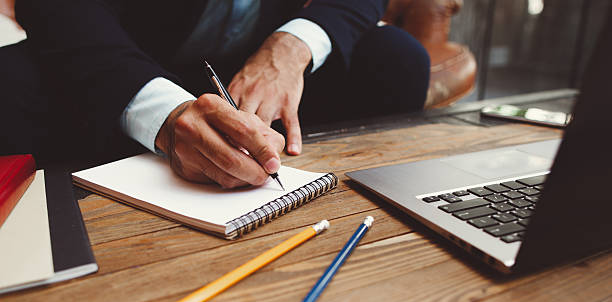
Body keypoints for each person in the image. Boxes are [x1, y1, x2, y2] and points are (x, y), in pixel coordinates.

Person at [1, 0, 430, 187]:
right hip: (120, 58)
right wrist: (164, 114)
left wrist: (291, 48)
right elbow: (55, 8)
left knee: (398, 59)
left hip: (252, 57)